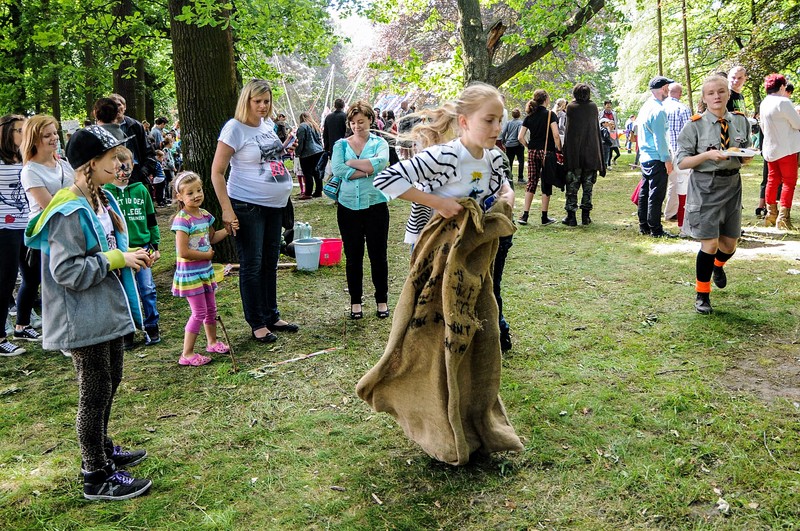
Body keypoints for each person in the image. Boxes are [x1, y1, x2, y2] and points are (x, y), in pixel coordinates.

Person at [24, 125, 153, 500]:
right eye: (113, 158)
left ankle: (103, 447)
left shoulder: (101, 199)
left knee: (110, 380)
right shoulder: (67, 209)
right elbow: (65, 271)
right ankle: (94, 474)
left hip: (105, 312)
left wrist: (130, 257)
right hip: (81, 318)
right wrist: (115, 259)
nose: (120, 163)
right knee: (93, 391)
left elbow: (111, 246)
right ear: (89, 165)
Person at [210, 79, 299, 344]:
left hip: (274, 206)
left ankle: (271, 314)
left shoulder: (268, 126)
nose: (263, 106)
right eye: (257, 101)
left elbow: (266, 159)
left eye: (267, 101)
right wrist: (227, 210)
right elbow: (216, 172)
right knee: (252, 263)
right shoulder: (234, 129)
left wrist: (283, 151)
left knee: (270, 261)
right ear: (246, 101)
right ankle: (257, 322)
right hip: (247, 205)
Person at [675, 75, 751, 314]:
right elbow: (682, 162)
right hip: (705, 186)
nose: (716, 96)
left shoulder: (741, 122)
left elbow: (744, 153)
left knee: (728, 244)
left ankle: (718, 266)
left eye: (721, 91)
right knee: (709, 242)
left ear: (728, 94)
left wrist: (746, 156)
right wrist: (708, 155)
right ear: (704, 98)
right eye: (711, 93)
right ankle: (702, 295)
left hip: (732, 186)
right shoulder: (694, 125)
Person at [330, 102, 390, 320]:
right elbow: (337, 169)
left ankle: (381, 300)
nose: (357, 126)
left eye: (361, 122)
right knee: (353, 257)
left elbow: (382, 162)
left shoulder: (379, 142)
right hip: (348, 207)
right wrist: (366, 170)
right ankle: (356, 302)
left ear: (371, 120)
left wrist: (352, 164)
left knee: (378, 255)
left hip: (375, 205)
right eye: (353, 123)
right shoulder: (340, 145)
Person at [19, 115, 76, 341]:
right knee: (53, 287)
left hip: (71, 228)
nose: (54, 138)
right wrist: (75, 198)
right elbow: (49, 205)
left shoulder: (63, 164)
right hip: (47, 235)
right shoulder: (30, 171)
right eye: (47, 135)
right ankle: (60, 336)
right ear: (34, 140)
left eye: (55, 133)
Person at [103, 147, 162, 348]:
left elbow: (151, 219)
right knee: (124, 291)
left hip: (144, 248)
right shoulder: (105, 193)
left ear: (132, 165)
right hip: (121, 251)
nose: (122, 172)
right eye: (118, 167)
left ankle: (152, 325)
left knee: (146, 288)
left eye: (126, 166)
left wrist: (154, 245)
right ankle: (128, 330)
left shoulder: (141, 189)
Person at [171, 172, 230, 366]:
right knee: (199, 313)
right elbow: (183, 251)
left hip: (205, 271)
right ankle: (186, 354)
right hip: (191, 274)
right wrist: (206, 256)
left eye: (198, 190)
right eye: (190, 193)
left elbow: (211, 238)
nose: (196, 195)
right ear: (180, 196)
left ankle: (212, 342)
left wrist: (228, 231)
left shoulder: (205, 215)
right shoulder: (182, 220)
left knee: (211, 309)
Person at [0, 115, 28, 356]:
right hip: (4, 227)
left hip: (26, 224)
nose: (24, 133)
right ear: (7, 132)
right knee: (5, 279)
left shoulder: (25, 156)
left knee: (30, 275)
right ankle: (0, 337)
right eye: (20, 130)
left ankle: (22, 325)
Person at [637, 76, 677, 238]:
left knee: (645, 192)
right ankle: (656, 229)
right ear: (662, 88)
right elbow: (660, 138)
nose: (668, 90)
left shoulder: (645, 107)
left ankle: (644, 225)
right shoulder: (659, 111)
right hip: (656, 157)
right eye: (667, 87)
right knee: (656, 195)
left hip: (645, 156)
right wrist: (666, 159)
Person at [759, 73, 800, 230]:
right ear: (782, 87)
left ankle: (771, 214)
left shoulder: (764, 103)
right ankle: (783, 218)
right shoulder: (784, 102)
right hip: (787, 148)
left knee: (772, 180)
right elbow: (797, 124)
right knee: (789, 182)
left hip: (770, 148)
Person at [562, 83, 606, 226]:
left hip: (575, 154)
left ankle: (571, 217)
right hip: (591, 154)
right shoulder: (593, 107)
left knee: (572, 187)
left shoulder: (571, 108)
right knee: (588, 188)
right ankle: (585, 217)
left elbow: (569, 132)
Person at [517, 90, 562, 226]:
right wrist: (559, 149)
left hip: (532, 151)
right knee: (546, 182)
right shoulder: (550, 115)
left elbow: (520, 137)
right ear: (546, 99)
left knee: (531, 181)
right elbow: (555, 135)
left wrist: (528, 146)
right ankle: (544, 216)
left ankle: (525, 215)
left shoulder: (529, 116)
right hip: (547, 152)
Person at [662, 82, 693, 235]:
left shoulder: (660, 106)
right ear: (680, 93)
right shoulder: (683, 109)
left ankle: (668, 212)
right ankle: (673, 212)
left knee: (666, 182)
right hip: (677, 151)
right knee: (679, 184)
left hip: (661, 150)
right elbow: (688, 132)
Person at [109, 94, 156, 189]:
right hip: (111, 173)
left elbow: (148, 151)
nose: (116, 108)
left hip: (134, 173)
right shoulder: (103, 128)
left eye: (118, 105)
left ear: (124, 107)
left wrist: (143, 171)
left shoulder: (135, 126)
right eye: (112, 105)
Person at [295, 112, 325, 199]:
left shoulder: (302, 127)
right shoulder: (315, 125)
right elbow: (319, 139)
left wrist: (298, 152)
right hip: (318, 151)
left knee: (307, 173)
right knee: (317, 172)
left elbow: (300, 141)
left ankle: (308, 193)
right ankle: (318, 191)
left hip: (307, 152)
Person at [500, 108, 525, 183]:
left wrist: (504, 142)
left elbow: (503, 133)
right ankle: (520, 178)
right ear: (519, 114)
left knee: (509, 161)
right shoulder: (520, 123)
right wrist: (521, 143)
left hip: (509, 145)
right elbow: (519, 134)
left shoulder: (508, 123)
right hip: (517, 145)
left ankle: (508, 177)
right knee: (521, 161)